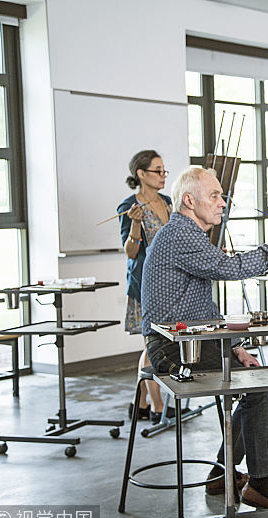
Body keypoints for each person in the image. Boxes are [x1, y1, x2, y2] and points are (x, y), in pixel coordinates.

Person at [141, 167, 268, 514]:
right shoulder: (179, 235)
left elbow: (203, 308)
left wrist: (235, 348)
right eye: (214, 195)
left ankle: (221, 473)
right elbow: (231, 269)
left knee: (255, 380)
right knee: (258, 388)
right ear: (189, 200)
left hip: (194, 342)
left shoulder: (190, 236)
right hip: (171, 349)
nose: (222, 202)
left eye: (221, 194)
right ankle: (260, 484)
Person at [118, 150, 170, 424]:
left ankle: (139, 403)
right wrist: (135, 223)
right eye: (157, 171)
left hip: (170, 283)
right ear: (141, 174)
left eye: (164, 171)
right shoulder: (129, 206)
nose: (163, 176)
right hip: (146, 284)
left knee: (156, 343)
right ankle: (158, 407)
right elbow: (130, 251)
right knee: (153, 344)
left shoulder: (168, 202)